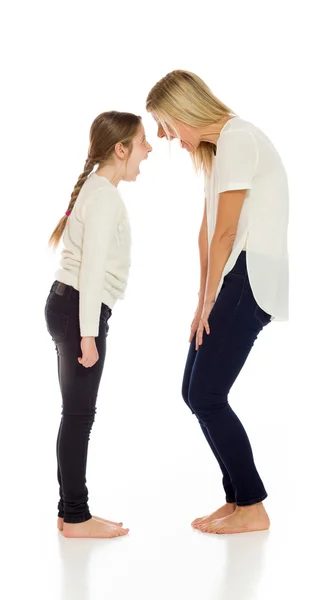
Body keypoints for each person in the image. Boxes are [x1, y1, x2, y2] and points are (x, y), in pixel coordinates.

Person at [146, 70, 289, 535]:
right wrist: (200, 301)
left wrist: (211, 300)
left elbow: (227, 233)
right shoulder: (221, 150)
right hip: (232, 279)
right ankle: (237, 499)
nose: (169, 138)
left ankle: (253, 505)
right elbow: (207, 231)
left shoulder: (238, 139)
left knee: (207, 394)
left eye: (167, 125)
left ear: (186, 110)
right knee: (194, 392)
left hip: (249, 278)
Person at [45, 111, 152, 538]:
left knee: (74, 414)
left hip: (67, 305)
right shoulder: (105, 196)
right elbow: (90, 273)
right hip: (78, 310)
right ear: (120, 149)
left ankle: (69, 511)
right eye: (142, 142)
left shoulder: (96, 188)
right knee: (78, 415)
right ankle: (76, 517)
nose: (148, 151)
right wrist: (88, 334)